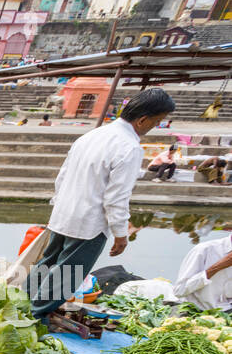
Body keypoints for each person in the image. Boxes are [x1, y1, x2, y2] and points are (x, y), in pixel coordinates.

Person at [25, 88, 177, 321]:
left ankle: (21, 306)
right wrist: (120, 234)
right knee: (67, 275)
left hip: (64, 214)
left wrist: (58, 206)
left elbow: (62, 177)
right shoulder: (129, 147)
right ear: (143, 119)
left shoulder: (92, 135)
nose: (153, 127)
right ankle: (35, 317)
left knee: (48, 263)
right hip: (89, 223)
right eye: (156, 122)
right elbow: (116, 197)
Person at [173, 233, 232, 312]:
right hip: (196, 312)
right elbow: (179, 290)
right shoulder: (205, 250)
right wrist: (217, 267)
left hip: (226, 312)